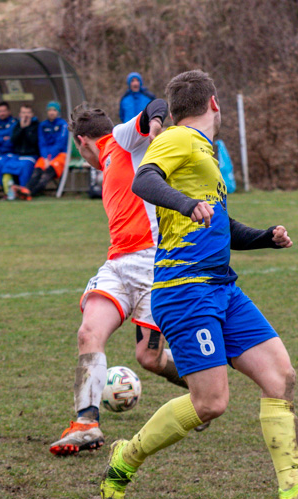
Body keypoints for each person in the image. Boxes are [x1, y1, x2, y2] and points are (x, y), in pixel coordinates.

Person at [99, 70, 298, 499]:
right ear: (214, 103)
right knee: (211, 403)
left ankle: (293, 490)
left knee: (280, 376)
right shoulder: (178, 138)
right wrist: (182, 203)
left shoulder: (206, 153)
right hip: (185, 288)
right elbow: (144, 181)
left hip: (221, 285)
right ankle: (126, 457)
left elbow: (219, 225)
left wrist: (263, 237)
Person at [49, 99, 194, 457]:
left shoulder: (120, 140)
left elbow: (155, 104)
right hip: (117, 264)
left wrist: (157, 123)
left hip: (152, 263)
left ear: (81, 141)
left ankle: (200, 389)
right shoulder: (114, 156)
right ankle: (86, 423)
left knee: (149, 357)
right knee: (89, 333)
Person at [14, 101, 68, 199]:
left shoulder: (62, 124)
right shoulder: (43, 125)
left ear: (58, 112)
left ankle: (29, 193)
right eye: (50, 110)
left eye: (54, 110)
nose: (52, 112)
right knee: (37, 172)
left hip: (60, 155)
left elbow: (60, 143)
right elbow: (41, 143)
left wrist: (50, 158)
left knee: (46, 175)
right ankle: (26, 190)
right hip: (45, 156)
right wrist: (45, 157)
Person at [0, 104, 40, 200]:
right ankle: (9, 193)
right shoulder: (17, 125)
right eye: (23, 113)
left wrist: (27, 128)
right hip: (17, 156)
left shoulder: (36, 126)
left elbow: (33, 141)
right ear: (19, 114)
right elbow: (13, 140)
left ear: (32, 114)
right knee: (6, 168)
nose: (25, 115)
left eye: (28, 113)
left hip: (31, 156)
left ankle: (23, 193)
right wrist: (21, 128)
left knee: (24, 167)